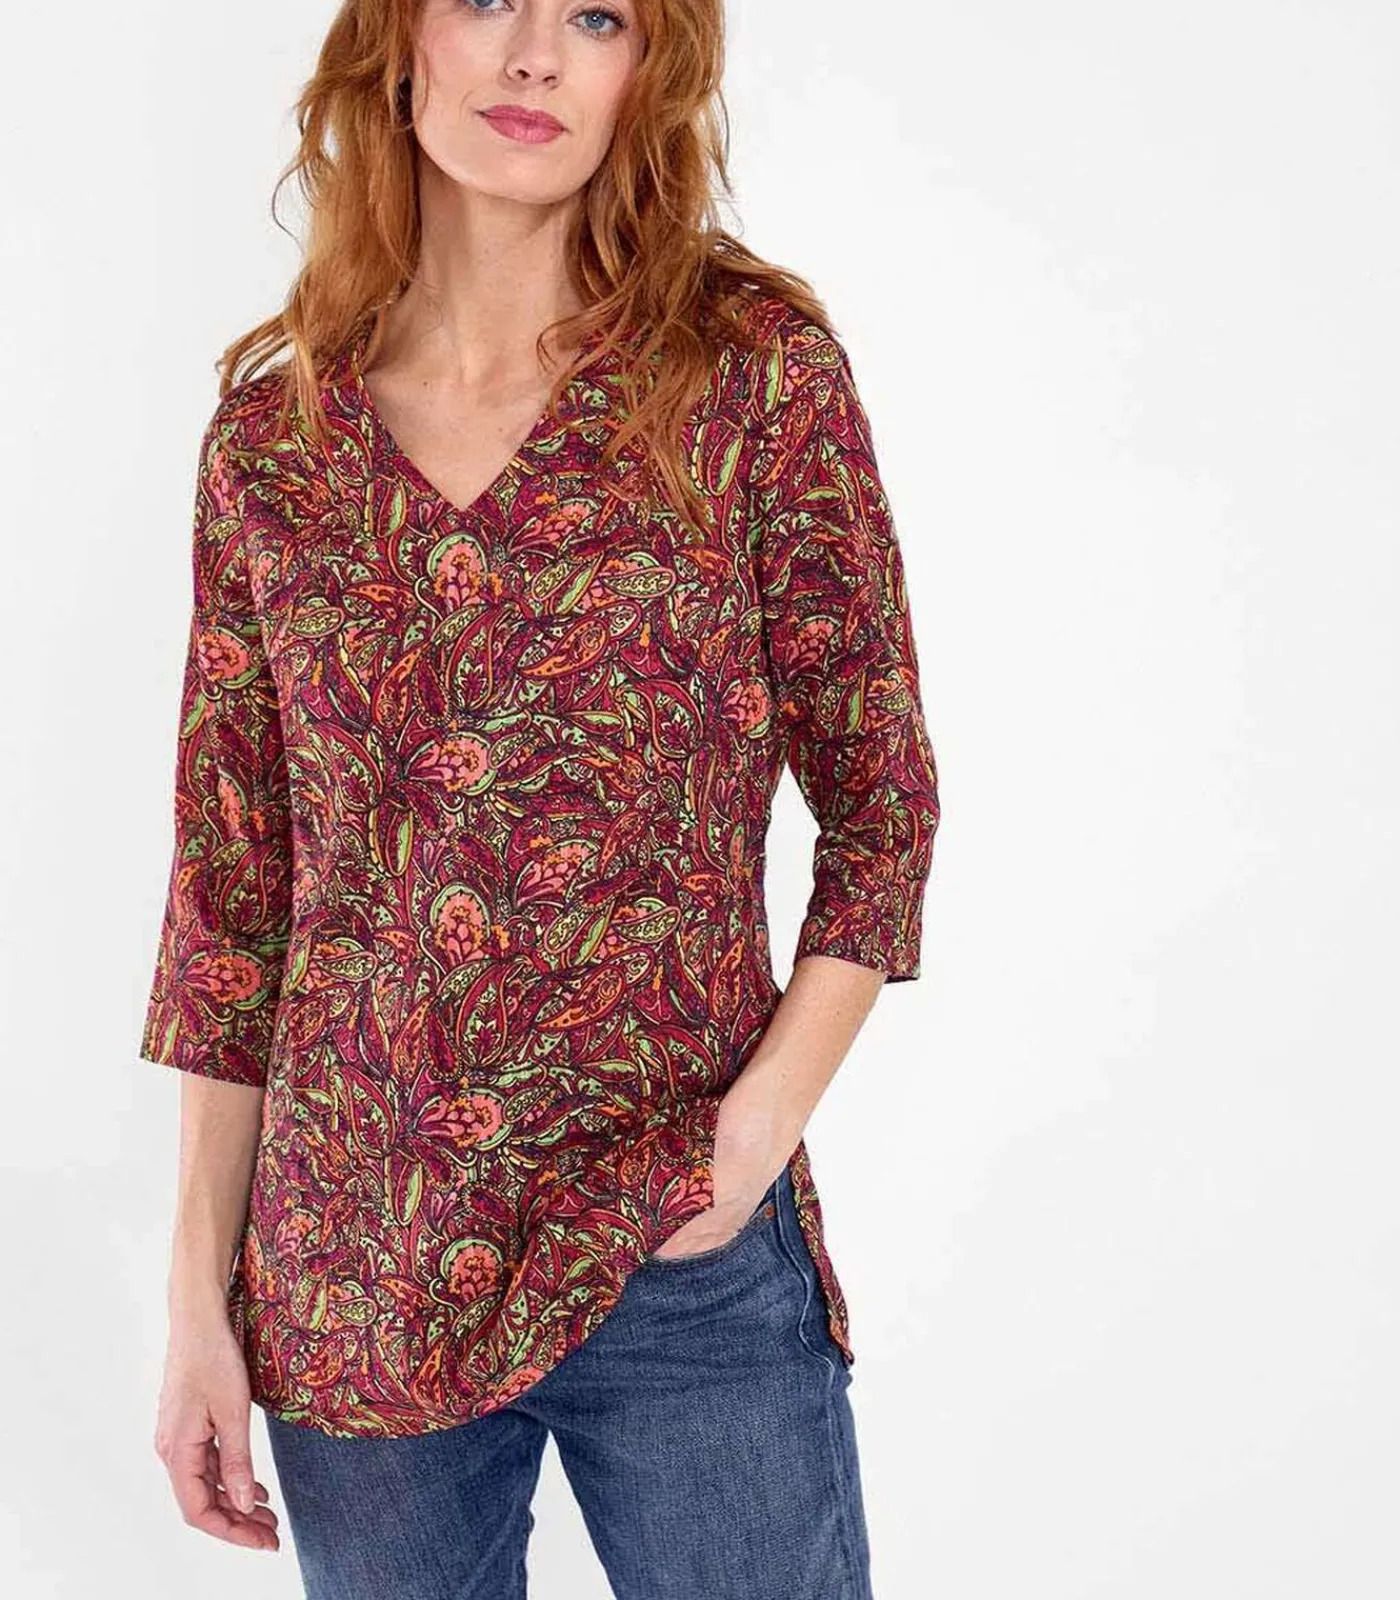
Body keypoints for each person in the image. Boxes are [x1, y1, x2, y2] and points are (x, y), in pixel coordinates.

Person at [142, 1, 940, 1595]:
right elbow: (233, 901)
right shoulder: (276, 442)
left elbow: (883, 804)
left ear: (650, 71)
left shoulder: (748, 378)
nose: (535, 57)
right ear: (398, 43)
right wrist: (195, 1303)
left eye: (596, 16)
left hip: (674, 1240)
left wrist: (751, 1139)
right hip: (356, 1268)